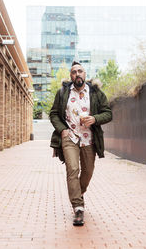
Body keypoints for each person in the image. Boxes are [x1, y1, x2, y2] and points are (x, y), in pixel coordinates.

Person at [49, 61, 112, 226]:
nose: (77, 74)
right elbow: (54, 113)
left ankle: (78, 193)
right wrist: (63, 129)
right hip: (70, 137)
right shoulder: (63, 92)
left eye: (80, 71)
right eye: (74, 72)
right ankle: (78, 208)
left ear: (85, 74)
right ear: (71, 76)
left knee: (88, 172)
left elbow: (108, 113)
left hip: (89, 139)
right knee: (73, 170)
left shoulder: (96, 92)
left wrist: (95, 119)